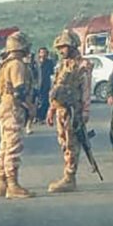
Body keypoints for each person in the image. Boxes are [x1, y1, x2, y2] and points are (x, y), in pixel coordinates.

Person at [46, 29, 92, 193]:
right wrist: (51, 110)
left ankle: (69, 177)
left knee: (72, 145)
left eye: (63, 47)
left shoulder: (82, 65)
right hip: (61, 110)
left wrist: (85, 111)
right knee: (64, 144)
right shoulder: (62, 66)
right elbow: (57, 88)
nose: (60, 51)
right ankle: (68, 174)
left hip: (73, 111)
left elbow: (86, 90)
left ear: (72, 46)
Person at [0, 32, 34, 199]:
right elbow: (19, 90)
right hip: (12, 108)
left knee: (4, 146)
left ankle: (1, 183)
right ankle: (12, 185)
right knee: (13, 147)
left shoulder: (4, 64)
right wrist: (29, 106)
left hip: (3, 105)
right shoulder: (17, 64)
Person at [30, 47, 54, 135]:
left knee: (45, 101)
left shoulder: (49, 62)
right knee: (34, 102)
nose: (43, 54)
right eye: (41, 52)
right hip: (36, 85)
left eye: (44, 52)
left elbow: (52, 73)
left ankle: (41, 117)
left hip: (45, 84)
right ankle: (34, 117)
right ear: (39, 53)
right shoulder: (35, 63)